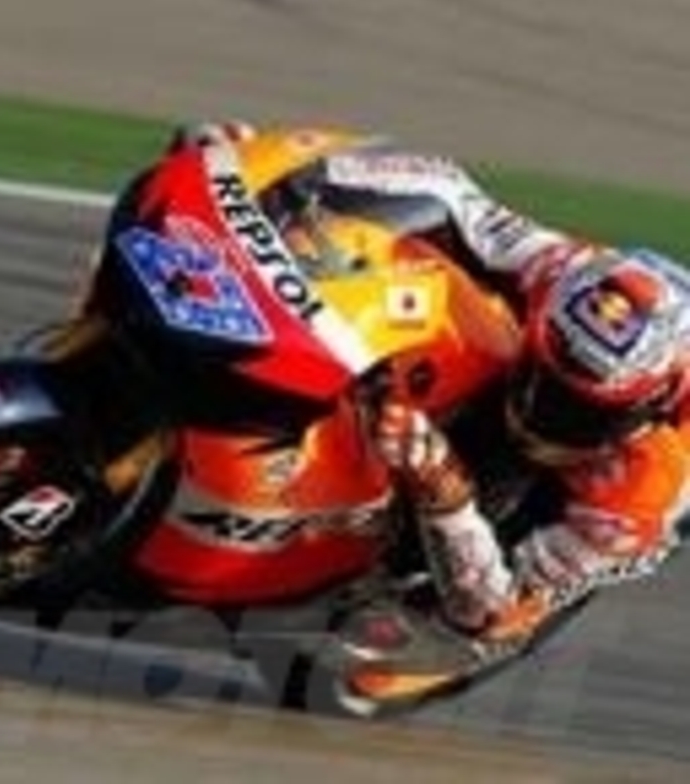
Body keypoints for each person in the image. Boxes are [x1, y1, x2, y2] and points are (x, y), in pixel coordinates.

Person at [157, 122, 690, 705]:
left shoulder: (645, 490)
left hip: (579, 524)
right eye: (543, 379)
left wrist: (444, 488)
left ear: (648, 406)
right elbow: (447, 190)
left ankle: (384, 601)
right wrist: (263, 175)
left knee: (486, 616)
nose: (540, 415)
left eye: (579, 412)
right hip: (532, 346)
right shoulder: (561, 272)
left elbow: (493, 606)